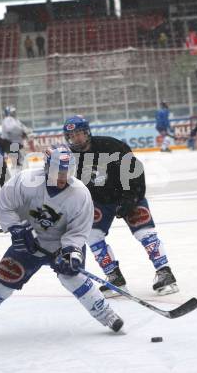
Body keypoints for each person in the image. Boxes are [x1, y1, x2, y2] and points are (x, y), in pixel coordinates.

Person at [0, 146, 123, 342]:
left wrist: (71, 254)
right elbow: (4, 204)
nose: (63, 177)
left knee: (74, 278)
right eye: (58, 172)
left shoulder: (80, 194)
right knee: (4, 279)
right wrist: (15, 229)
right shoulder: (25, 181)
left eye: (67, 172)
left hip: (61, 243)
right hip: (27, 241)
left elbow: (77, 232)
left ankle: (107, 316)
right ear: (47, 167)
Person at [63, 115, 179, 297]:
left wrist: (131, 198)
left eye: (79, 133)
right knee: (92, 235)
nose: (76, 138)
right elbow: (67, 188)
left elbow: (136, 170)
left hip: (129, 195)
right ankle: (115, 277)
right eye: (71, 135)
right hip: (101, 202)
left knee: (144, 233)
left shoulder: (111, 146)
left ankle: (165, 272)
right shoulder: (70, 158)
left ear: (87, 133)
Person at [1, 106, 30, 170]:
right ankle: (19, 174)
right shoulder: (8, 119)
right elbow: (11, 129)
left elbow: (22, 127)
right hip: (13, 143)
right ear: (8, 112)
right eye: (12, 112)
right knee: (19, 162)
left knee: (20, 161)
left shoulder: (14, 120)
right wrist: (22, 132)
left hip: (16, 144)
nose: (14, 113)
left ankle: (19, 172)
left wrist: (25, 131)